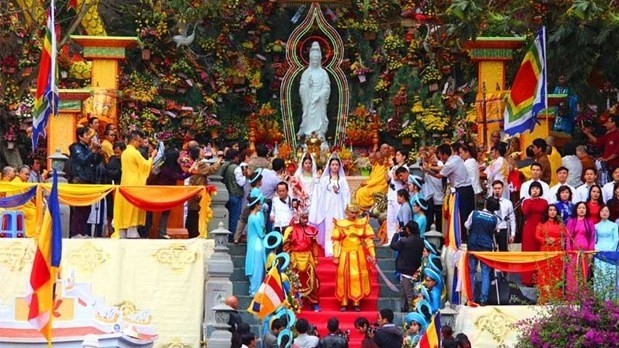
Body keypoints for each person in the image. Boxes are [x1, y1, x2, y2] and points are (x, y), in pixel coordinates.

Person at [424, 144, 475, 242]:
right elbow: (442, 168)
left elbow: (440, 175)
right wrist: (431, 168)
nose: (440, 158)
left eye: (440, 155)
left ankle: (463, 239)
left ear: (444, 155)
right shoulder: (456, 158)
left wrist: (427, 170)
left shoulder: (449, 164)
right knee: (469, 214)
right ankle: (468, 238)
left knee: (462, 216)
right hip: (469, 189)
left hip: (461, 190)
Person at [332, 204, 375, 311]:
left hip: (358, 253)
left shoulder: (362, 223)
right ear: (347, 212)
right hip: (344, 253)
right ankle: (344, 301)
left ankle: (356, 302)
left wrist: (372, 253)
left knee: (357, 276)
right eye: (351, 212)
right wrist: (336, 255)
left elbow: (368, 240)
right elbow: (336, 241)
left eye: (356, 213)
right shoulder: (340, 224)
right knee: (344, 275)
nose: (354, 215)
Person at [113, 130, 156, 239]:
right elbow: (145, 165)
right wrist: (152, 157)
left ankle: (123, 230)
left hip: (125, 181)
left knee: (125, 206)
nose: (140, 143)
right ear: (134, 140)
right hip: (134, 182)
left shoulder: (125, 153)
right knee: (133, 207)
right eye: (139, 141)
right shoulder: (134, 152)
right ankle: (132, 229)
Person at [310, 154, 350, 257]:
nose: (335, 167)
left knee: (339, 225)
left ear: (339, 166)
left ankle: (339, 247)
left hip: (339, 207)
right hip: (327, 208)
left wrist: (339, 192)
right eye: (333, 165)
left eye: (337, 165)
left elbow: (346, 194)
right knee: (329, 227)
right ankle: (329, 249)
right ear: (329, 166)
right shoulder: (325, 179)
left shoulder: (342, 180)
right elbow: (320, 194)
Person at [283, 209, 321, 312]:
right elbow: (286, 244)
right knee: (294, 281)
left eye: (306, 218)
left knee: (312, 280)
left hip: (308, 257)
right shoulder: (291, 229)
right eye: (303, 218)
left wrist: (316, 258)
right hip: (295, 257)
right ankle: (294, 302)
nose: (305, 220)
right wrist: (288, 255)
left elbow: (314, 245)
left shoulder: (311, 230)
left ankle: (314, 302)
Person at [465, 197, 500, 305]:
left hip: (473, 245)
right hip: (486, 247)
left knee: (471, 272)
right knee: (485, 273)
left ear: (485, 204)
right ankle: (483, 299)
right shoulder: (495, 219)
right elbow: (497, 230)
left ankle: (470, 298)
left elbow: (467, 225)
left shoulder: (474, 213)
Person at [69, 127, 103, 237]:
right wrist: (91, 151)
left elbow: (95, 162)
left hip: (89, 180)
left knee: (87, 208)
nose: (89, 138)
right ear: (80, 137)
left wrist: (98, 153)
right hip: (79, 180)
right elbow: (82, 161)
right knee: (79, 208)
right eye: (87, 135)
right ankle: (76, 233)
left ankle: (83, 232)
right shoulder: (75, 147)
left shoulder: (87, 148)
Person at [298, 41, 330, 140]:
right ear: (310, 59)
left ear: (320, 59)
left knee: (320, 118)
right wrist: (308, 86)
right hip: (309, 100)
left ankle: (320, 135)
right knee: (308, 116)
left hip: (319, 102)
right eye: (313, 59)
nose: (315, 60)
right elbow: (302, 87)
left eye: (317, 59)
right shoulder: (306, 73)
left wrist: (319, 95)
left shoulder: (323, 73)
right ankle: (309, 136)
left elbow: (327, 87)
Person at [534, 204, 566, 303]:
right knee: (544, 273)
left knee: (557, 273)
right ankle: (544, 298)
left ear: (557, 212)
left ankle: (557, 298)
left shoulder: (561, 224)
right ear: (547, 212)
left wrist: (558, 240)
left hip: (557, 252)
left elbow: (565, 237)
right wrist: (545, 240)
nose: (552, 212)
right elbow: (537, 236)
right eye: (550, 210)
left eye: (554, 210)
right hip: (545, 251)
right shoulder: (541, 224)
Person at [390, 220, 424, 312]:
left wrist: (397, 233)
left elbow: (393, 245)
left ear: (408, 230)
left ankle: (412, 313)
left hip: (405, 270)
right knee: (404, 292)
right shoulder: (421, 240)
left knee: (408, 293)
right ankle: (403, 308)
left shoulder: (404, 241)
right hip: (415, 269)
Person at [521, 181, 548, 286]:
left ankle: (540, 278)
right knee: (529, 253)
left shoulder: (544, 202)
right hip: (529, 229)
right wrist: (531, 200)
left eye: (537, 189)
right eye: (533, 189)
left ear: (540, 190)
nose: (535, 190)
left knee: (540, 253)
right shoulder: (527, 201)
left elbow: (546, 215)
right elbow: (525, 212)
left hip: (541, 229)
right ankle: (528, 280)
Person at [565, 202, 595, 297]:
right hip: (573, 252)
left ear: (586, 210)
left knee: (584, 273)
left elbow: (592, 237)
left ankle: (583, 296)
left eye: (583, 208)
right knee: (572, 274)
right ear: (576, 210)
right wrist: (569, 251)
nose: (581, 210)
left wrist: (590, 251)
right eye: (579, 208)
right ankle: (572, 296)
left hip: (585, 253)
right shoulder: (571, 221)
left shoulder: (589, 222)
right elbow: (568, 237)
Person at [221, 149, 246, 240]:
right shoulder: (236, 168)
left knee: (228, 216)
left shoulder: (226, 166)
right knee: (235, 217)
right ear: (235, 157)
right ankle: (232, 236)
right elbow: (241, 183)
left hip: (227, 193)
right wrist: (245, 175)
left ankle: (227, 235)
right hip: (235, 194)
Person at [594, 205, 619, 297]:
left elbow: (616, 239)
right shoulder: (595, 226)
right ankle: (600, 296)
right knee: (600, 272)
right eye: (602, 211)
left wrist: (611, 250)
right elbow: (594, 240)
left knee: (611, 272)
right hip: (599, 252)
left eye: (606, 211)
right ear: (599, 213)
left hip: (611, 251)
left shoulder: (614, 225)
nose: (604, 213)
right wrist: (597, 249)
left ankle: (612, 297)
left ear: (609, 213)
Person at [246, 192, 267, 296]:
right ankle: (255, 290)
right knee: (257, 268)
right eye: (259, 204)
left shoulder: (250, 217)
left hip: (252, 243)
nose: (260, 206)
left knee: (254, 267)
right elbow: (261, 233)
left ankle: (254, 289)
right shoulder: (255, 218)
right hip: (257, 244)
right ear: (256, 205)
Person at [386, 149, 409, 242]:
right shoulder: (394, 167)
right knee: (390, 218)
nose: (396, 156)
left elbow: (396, 178)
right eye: (396, 155)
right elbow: (388, 180)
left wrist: (393, 168)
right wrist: (387, 167)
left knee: (397, 217)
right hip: (391, 195)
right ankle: (390, 239)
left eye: (399, 155)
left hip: (399, 196)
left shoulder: (405, 168)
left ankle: (399, 238)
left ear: (404, 157)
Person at [491, 180, 516, 251]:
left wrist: (512, 234)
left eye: (499, 188)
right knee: (492, 251)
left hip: (504, 230)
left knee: (504, 250)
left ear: (502, 189)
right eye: (495, 188)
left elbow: (512, 219)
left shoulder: (508, 203)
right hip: (492, 230)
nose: (497, 190)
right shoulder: (489, 202)